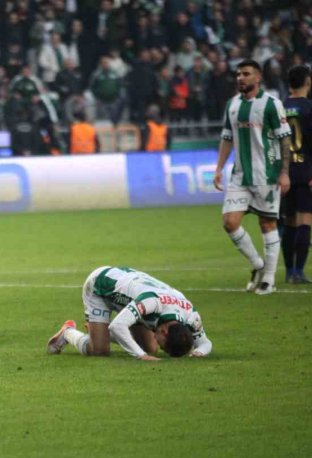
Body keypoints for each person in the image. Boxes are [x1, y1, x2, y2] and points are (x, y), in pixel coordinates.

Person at [213, 59, 292, 295]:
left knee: (267, 223)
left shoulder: (271, 104)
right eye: (238, 74)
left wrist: (284, 172)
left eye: (246, 74)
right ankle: (258, 265)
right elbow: (227, 138)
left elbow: (284, 138)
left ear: (258, 78)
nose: (240, 77)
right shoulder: (232, 104)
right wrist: (218, 168)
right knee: (230, 222)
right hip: (240, 175)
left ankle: (269, 279)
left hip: (266, 175)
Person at [46, 266, 212, 360]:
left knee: (150, 348)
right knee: (100, 350)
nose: (163, 349)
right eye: (165, 347)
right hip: (101, 287)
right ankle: (68, 332)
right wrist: (140, 356)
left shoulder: (190, 315)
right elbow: (118, 326)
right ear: (164, 331)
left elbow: (205, 343)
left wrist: (198, 352)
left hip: (131, 296)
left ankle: (98, 331)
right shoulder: (151, 302)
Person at [281, 65, 312, 285]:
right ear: (308, 81)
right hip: (307, 170)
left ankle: (289, 271)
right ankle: (299, 271)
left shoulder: (280, 106)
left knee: (289, 222)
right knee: (305, 221)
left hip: (285, 173)